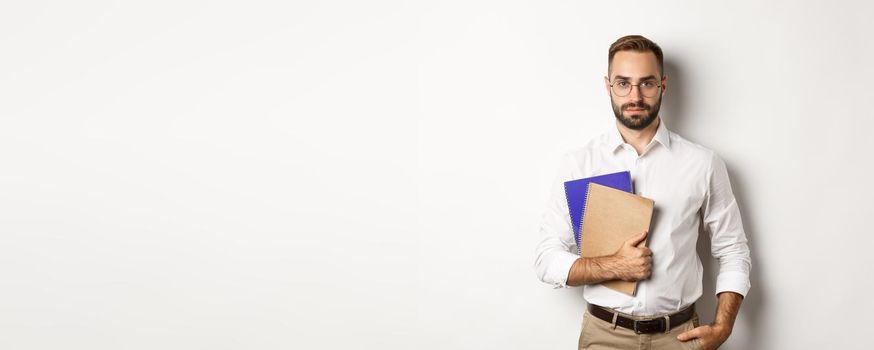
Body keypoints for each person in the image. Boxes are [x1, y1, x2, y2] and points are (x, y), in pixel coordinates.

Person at [533, 35, 751, 350]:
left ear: (663, 84)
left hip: (679, 337)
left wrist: (723, 326)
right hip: (604, 336)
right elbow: (545, 258)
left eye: (646, 83)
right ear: (608, 86)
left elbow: (733, 251)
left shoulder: (703, 163)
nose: (635, 95)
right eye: (623, 83)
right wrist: (613, 266)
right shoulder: (580, 163)